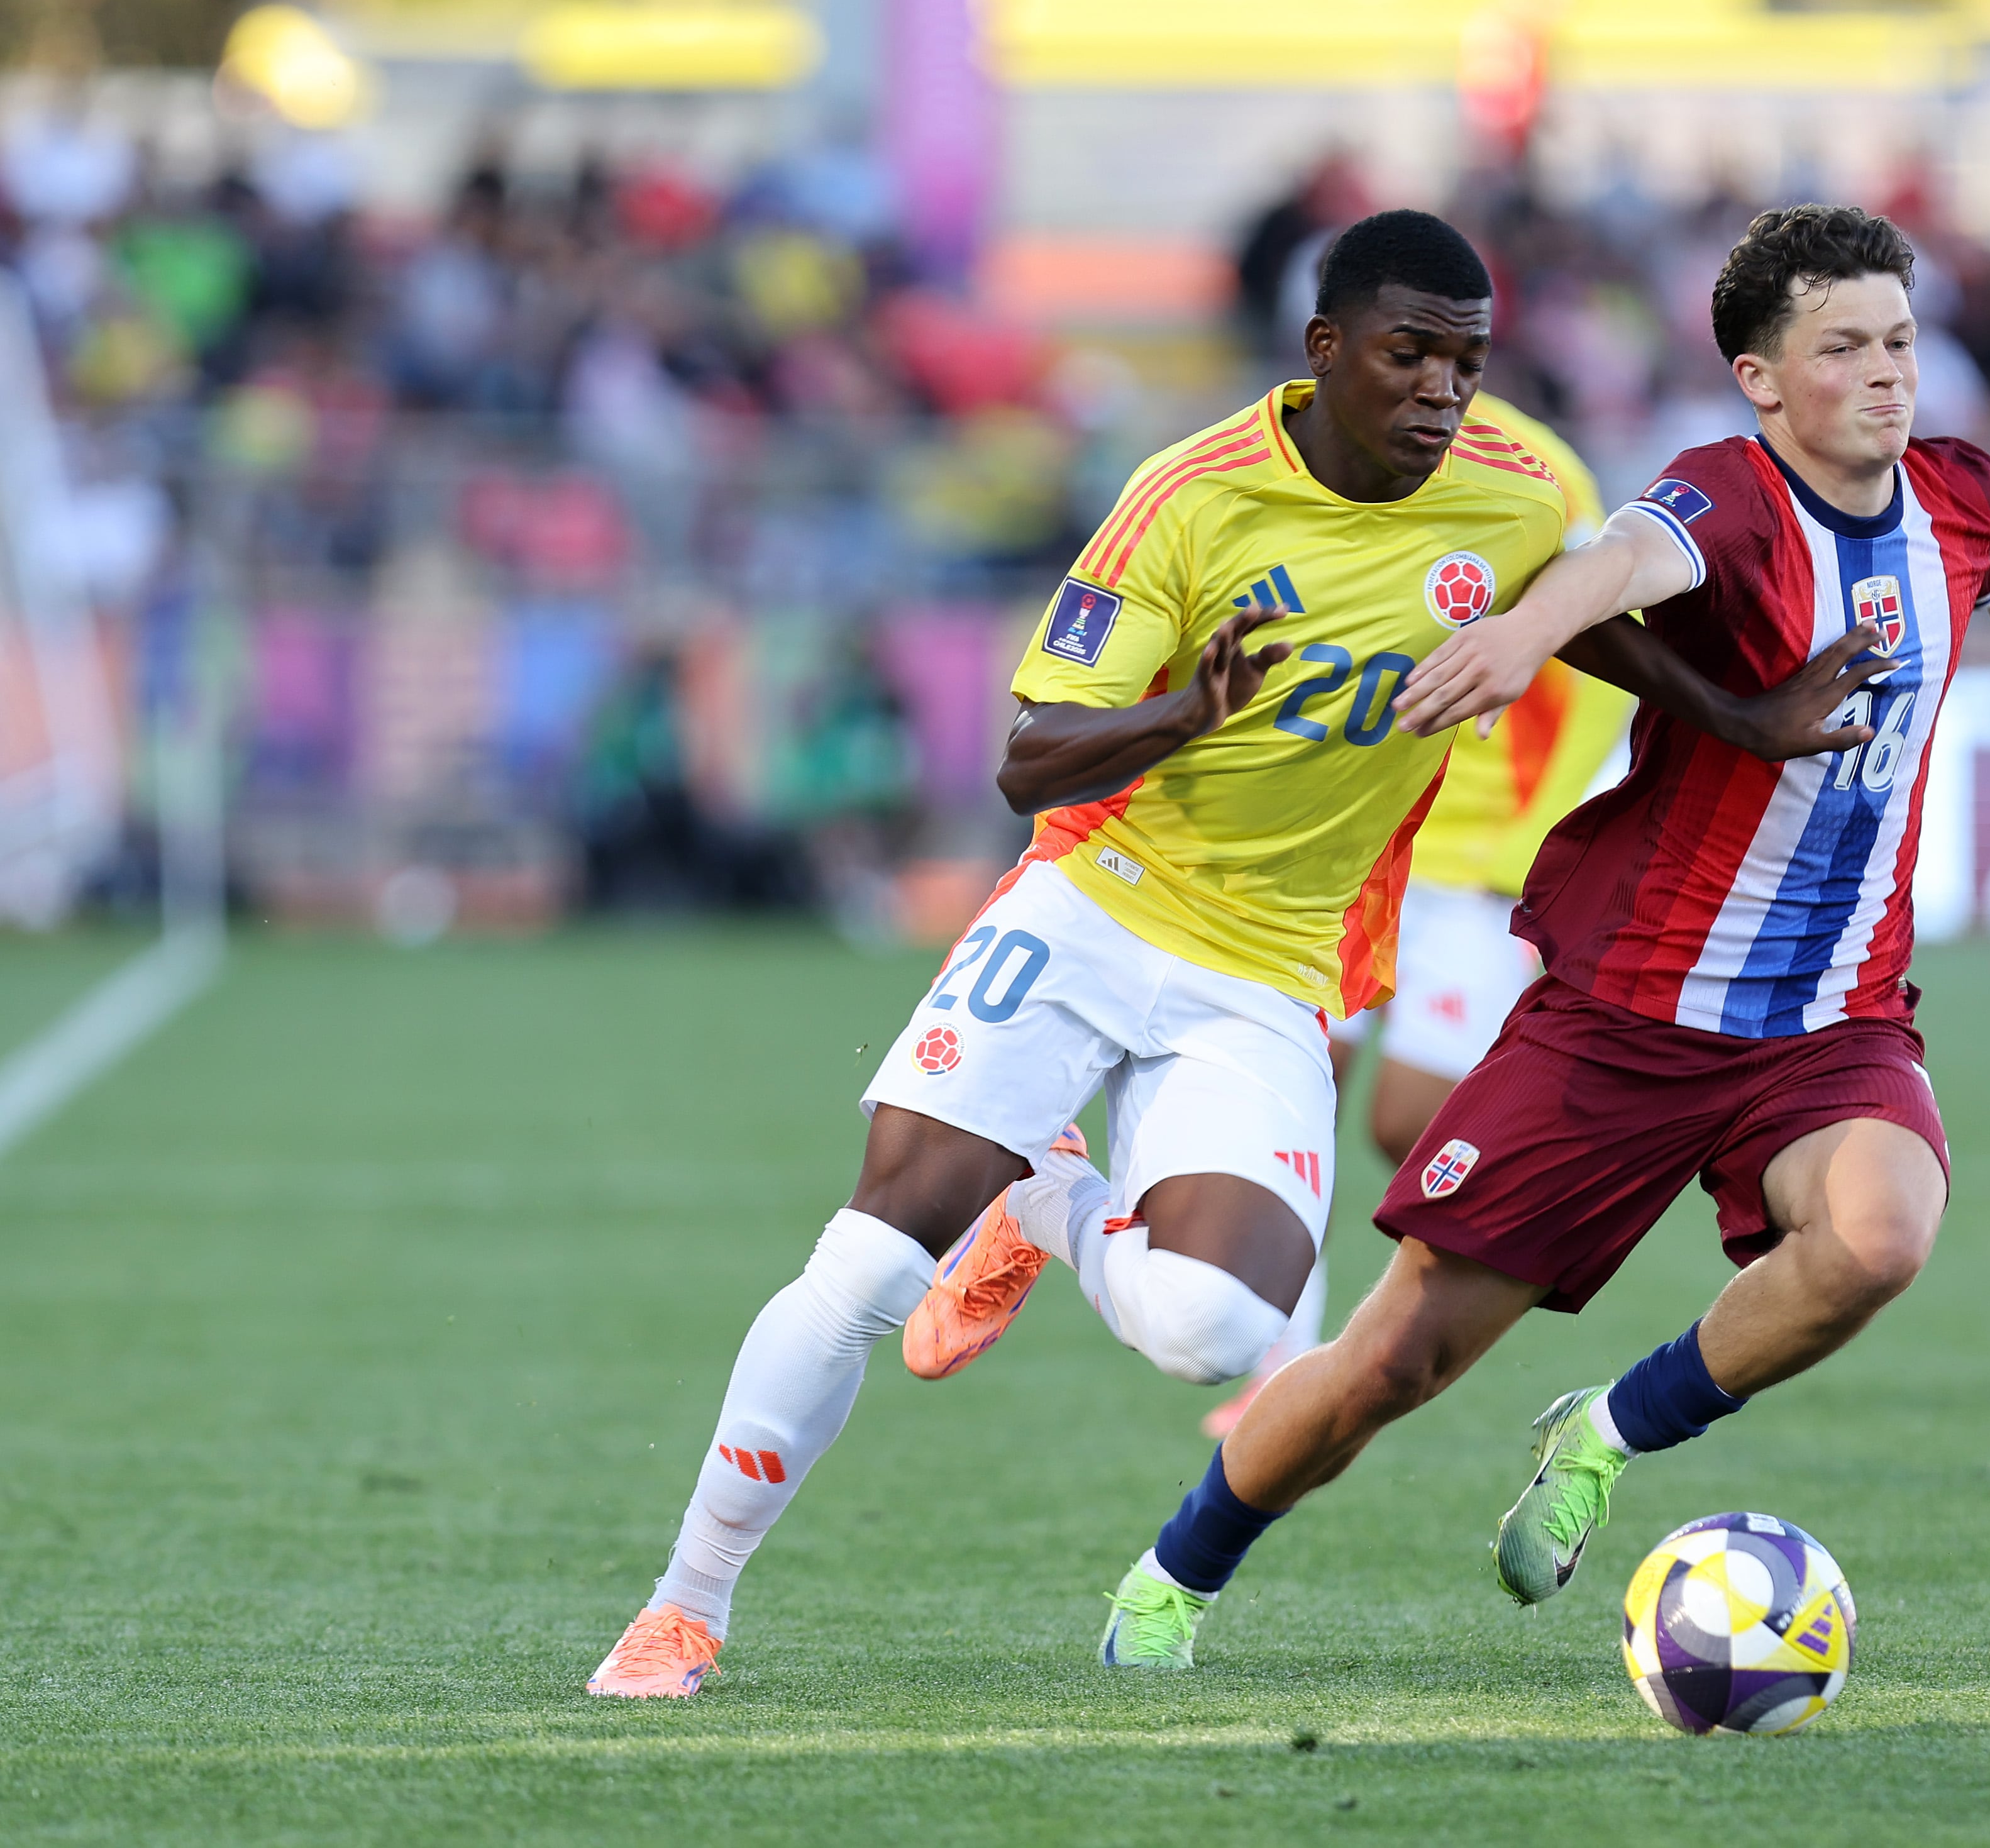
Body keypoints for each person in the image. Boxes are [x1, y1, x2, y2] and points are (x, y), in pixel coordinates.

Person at [583, 209, 1858, 1698]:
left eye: (1466, 361)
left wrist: (1740, 718)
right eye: (1409, 355)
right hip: (1091, 907)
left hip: (1271, 971)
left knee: (1214, 1332)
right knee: (867, 1264)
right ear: (1324, 349)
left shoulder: (1511, 493)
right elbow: (1025, 757)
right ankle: (685, 1607)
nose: (1443, 390)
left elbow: (1566, 618)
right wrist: (1179, 713)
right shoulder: (1187, 498)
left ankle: (1049, 1200)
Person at [1090, 204, 1990, 1666]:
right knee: (1394, 1360)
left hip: (1829, 1016)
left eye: (1900, 342)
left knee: (1877, 1238)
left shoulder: (1956, 494)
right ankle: (1174, 1579)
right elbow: (1616, 564)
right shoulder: (1726, 501)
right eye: (1841, 348)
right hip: (1627, 1018)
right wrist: (1519, 635)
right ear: (1758, 379)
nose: (1885, 374)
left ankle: (1604, 1431)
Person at [1199, 392, 1633, 1441]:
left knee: (1409, 1124)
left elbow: (1606, 663)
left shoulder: (1538, 475)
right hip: (1349, 849)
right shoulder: (1315, 449)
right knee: (1294, 1086)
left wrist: (1532, 834)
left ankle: (1442, 1320)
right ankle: (1282, 1367)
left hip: (1469, 869)